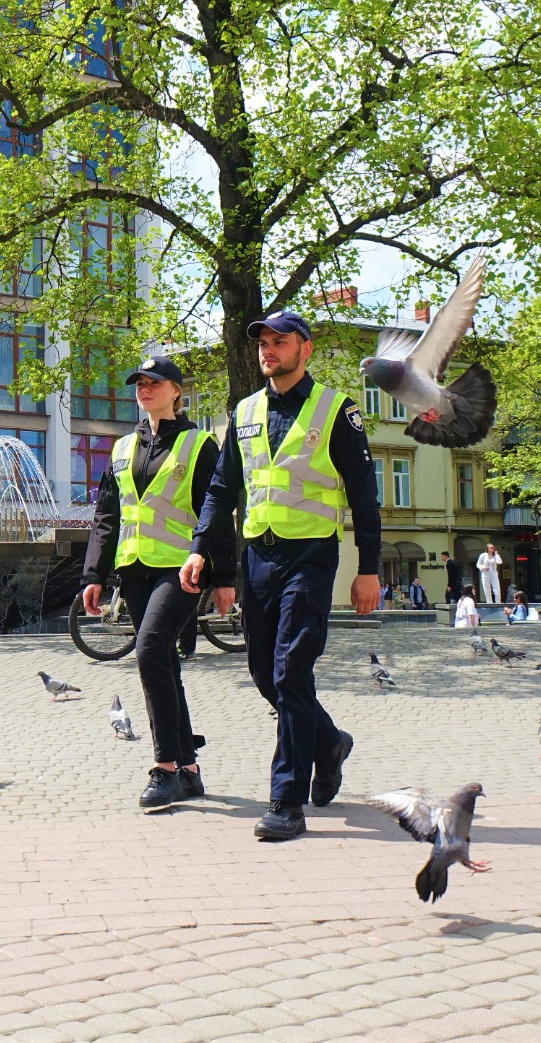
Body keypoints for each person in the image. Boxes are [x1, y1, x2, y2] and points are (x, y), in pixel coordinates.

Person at [181, 310, 380, 842]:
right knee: (265, 675)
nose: (268, 350)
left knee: (292, 670)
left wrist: (370, 569)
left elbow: (364, 497)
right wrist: (201, 548)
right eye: (263, 342)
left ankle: (286, 800)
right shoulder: (244, 412)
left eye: (280, 341)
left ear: (305, 349)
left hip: (311, 556)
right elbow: (223, 488)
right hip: (258, 559)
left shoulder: (337, 410)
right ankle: (329, 742)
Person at [81, 355, 225, 810]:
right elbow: (108, 514)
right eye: (140, 383)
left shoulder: (199, 443)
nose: (145, 389)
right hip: (135, 568)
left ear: (176, 392)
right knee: (164, 661)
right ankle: (188, 770)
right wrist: (94, 575)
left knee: (147, 652)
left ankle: (165, 768)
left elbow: (216, 512)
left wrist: (224, 576)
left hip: (182, 569)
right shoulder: (123, 448)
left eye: (155, 382)